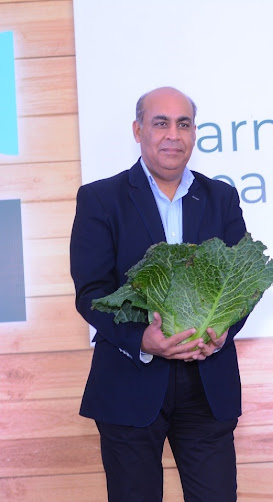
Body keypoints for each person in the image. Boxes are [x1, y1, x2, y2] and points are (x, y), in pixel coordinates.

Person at [70, 86, 248, 502]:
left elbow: (244, 280)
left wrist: (221, 329)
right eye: (161, 123)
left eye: (183, 124)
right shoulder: (100, 198)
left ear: (194, 132)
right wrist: (142, 339)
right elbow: (91, 291)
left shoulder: (221, 197)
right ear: (138, 130)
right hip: (129, 382)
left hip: (208, 384)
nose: (173, 134)